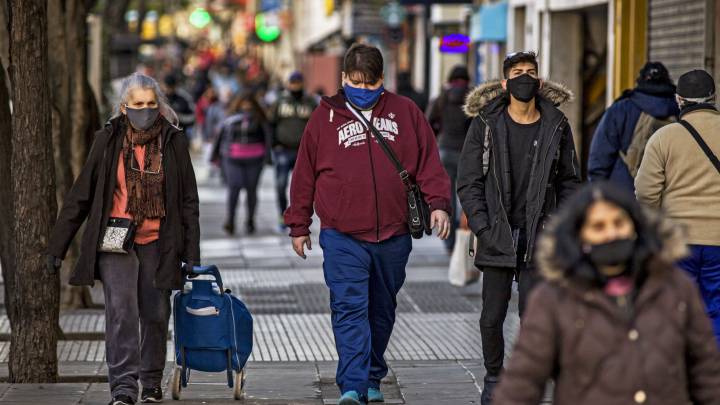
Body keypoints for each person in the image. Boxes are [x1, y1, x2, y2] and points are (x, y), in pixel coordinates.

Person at [284, 43, 451, 405]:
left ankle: (373, 373)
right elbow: (304, 175)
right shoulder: (323, 118)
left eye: (370, 81)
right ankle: (353, 386)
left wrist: (438, 205)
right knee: (349, 307)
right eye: (355, 81)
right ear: (343, 78)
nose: (362, 88)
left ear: (382, 80)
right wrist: (299, 224)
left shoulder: (406, 112)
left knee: (382, 309)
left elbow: (429, 163)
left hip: (394, 233)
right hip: (341, 235)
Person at [47, 73, 200, 405]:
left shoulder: (173, 141)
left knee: (156, 313)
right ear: (123, 107)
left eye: (150, 104)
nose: (144, 110)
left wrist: (191, 254)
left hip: (159, 240)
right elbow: (82, 194)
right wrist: (57, 246)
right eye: (137, 105)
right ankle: (124, 387)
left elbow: (188, 201)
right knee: (121, 312)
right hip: (115, 239)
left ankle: (150, 380)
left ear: (158, 105)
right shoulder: (108, 140)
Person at [492, 182, 720, 405]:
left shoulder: (675, 287)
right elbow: (521, 383)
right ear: (580, 237)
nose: (611, 233)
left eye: (619, 223)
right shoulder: (553, 298)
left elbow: (707, 373)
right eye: (598, 227)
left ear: (635, 226)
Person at [457, 51, 581, 405]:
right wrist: (482, 226)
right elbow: (468, 181)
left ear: (539, 81)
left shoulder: (556, 124)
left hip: (539, 237)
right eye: (517, 72)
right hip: (497, 235)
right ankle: (494, 377)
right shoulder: (485, 123)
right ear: (504, 82)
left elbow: (571, 180)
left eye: (530, 72)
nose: (524, 78)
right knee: (491, 318)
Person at [635, 69, 720, 346]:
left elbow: (646, 193)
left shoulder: (663, 137)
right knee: (715, 312)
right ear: (714, 97)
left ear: (679, 99)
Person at [588, 62, 678, 192]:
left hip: (625, 196)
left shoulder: (621, 109)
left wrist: (598, 194)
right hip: (666, 197)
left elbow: (599, 158)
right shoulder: (680, 110)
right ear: (668, 82)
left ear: (640, 81)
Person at [427, 65, 472, 253]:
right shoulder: (472, 99)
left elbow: (428, 123)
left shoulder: (441, 99)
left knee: (449, 198)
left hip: (444, 151)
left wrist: (438, 137)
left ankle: (449, 242)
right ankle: (465, 235)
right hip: (466, 153)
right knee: (467, 196)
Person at [212, 92, 270, 236]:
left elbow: (267, 138)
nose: (246, 107)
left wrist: (268, 157)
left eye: (249, 104)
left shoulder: (260, 119)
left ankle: (250, 220)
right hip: (232, 158)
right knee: (234, 187)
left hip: (255, 159)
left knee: (251, 189)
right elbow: (220, 136)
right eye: (244, 104)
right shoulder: (230, 118)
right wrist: (215, 154)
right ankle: (230, 221)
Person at [269, 71, 317, 231]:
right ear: (288, 83)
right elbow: (271, 124)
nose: (295, 85)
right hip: (283, 149)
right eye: (292, 82)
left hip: (302, 152)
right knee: (281, 184)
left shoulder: (310, 102)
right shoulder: (280, 101)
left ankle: (297, 217)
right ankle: (282, 216)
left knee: (301, 188)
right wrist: (273, 145)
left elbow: (318, 127)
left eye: (298, 82)